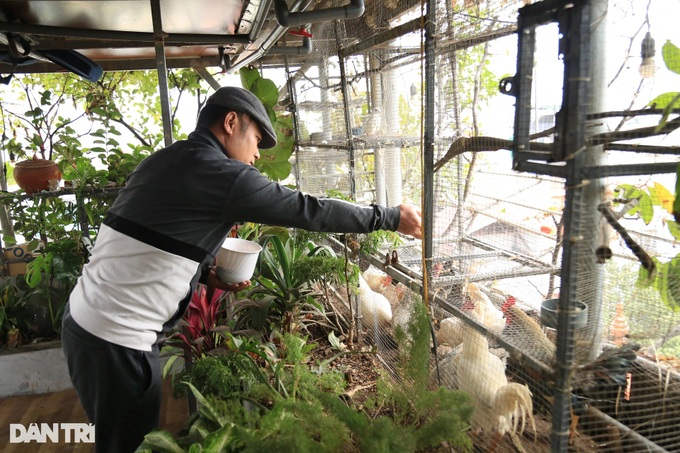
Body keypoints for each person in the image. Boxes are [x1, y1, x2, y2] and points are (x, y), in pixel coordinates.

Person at [61, 86, 422, 452]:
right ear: (230, 122)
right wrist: (390, 217)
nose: (255, 157)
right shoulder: (226, 174)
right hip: (119, 340)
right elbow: (308, 210)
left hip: (84, 322)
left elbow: (149, 236)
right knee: (132, 445)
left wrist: (204, 273)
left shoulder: (163, 160)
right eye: (256, 140)